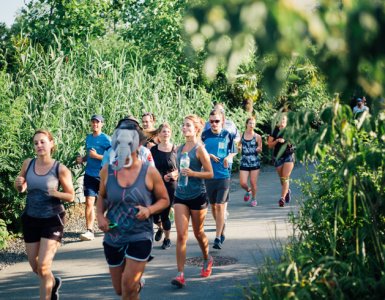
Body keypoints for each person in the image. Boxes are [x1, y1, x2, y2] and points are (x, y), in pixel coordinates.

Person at [96, 118, 169, 299]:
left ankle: (134, 283)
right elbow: (102, 196)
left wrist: (149, 210)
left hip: (140, 234)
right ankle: (135, 284)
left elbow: (164, 200)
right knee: (120, 289)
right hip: (113, 236)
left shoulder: (149, 172)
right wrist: (99, 216)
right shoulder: (107, 170)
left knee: (128, 286)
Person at [14, 129, 75, 300]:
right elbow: (22, 187)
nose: (39, 145)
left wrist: (56, 193)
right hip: (31, 218)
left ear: (51, 143)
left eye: (42, 141)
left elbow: (71, 196)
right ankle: (53, 283)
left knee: (43, 266)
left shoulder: (60, 169)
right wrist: (19, 184)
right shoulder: (28, 164)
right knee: (35, 267)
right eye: (36, 143)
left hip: (52, 220)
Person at [171, 114, 214, 288]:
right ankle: (180, 274)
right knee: (181, 235)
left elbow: (210, 173)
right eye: (183, 125)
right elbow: (180, 171)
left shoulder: (200, 149)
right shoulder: (179, 148)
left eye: (188, 125)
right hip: (181, 195)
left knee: (198, 233)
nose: (184, 128)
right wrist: (175, 174)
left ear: (196, 128)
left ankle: (207, 258)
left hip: (198, 195)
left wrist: (193, 173)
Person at [202, 109, 237, 250]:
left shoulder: (227, 134)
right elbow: (200, 151)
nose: (214, 124)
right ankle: (221, 228)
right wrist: (209, 155)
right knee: (214, 207)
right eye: (211, 121)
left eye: (216, 121)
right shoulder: (204, 135)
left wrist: (229, 157)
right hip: (209, 175)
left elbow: (234, 150)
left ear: (222, 121)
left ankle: (217, 238)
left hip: (223, 175)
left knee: (221, 205)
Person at [76, 114, 111, 241]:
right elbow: (89, 154)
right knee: (89, 202)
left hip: (103, 175)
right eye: (93, 122)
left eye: (98, 122)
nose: (95, 124)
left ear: (102, 124)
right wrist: (83, 159)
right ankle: (89, 230)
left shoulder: (106, 139)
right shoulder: (88, 138)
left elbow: (112, 157)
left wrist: (98, 156)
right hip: (90, 174)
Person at [150, 123, 178, 250]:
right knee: (155, 215)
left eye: (167, 131)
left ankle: (167, 239)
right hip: (156, 184)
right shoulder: (153, 150)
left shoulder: (175, 149)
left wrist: (173, 173)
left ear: (170, 133)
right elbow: (150, 168)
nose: (165, 133)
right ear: (159, 134)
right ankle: (160, 227)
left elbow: (181, 167)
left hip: (170, 185)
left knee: (165, 214)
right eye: (163, 132)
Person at [267, 113, 295, 207]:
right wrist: (277, 141)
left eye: (284, 119)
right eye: (280, 119)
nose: (282, 121)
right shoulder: (274, 131)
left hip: (288, 156)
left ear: (286, 121)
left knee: (285, 177)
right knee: (282, 179)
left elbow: (294, 142)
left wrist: (286, 140)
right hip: (278, 157)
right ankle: (287, 191)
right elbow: (269, 145)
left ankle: (282, 198)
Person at [239, 117, 263, 207]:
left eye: (253, 123)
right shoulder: (241, 135)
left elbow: (260, 148)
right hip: (244, 161)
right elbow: (239, 145)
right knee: (242, 183)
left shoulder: (257, 136)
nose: (251, 125)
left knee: (253, 182)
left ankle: (254, 198)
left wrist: (259, 149)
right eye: (250, 123)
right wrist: (239, 148)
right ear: (246, 124)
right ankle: (248, 190)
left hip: (254, 162)